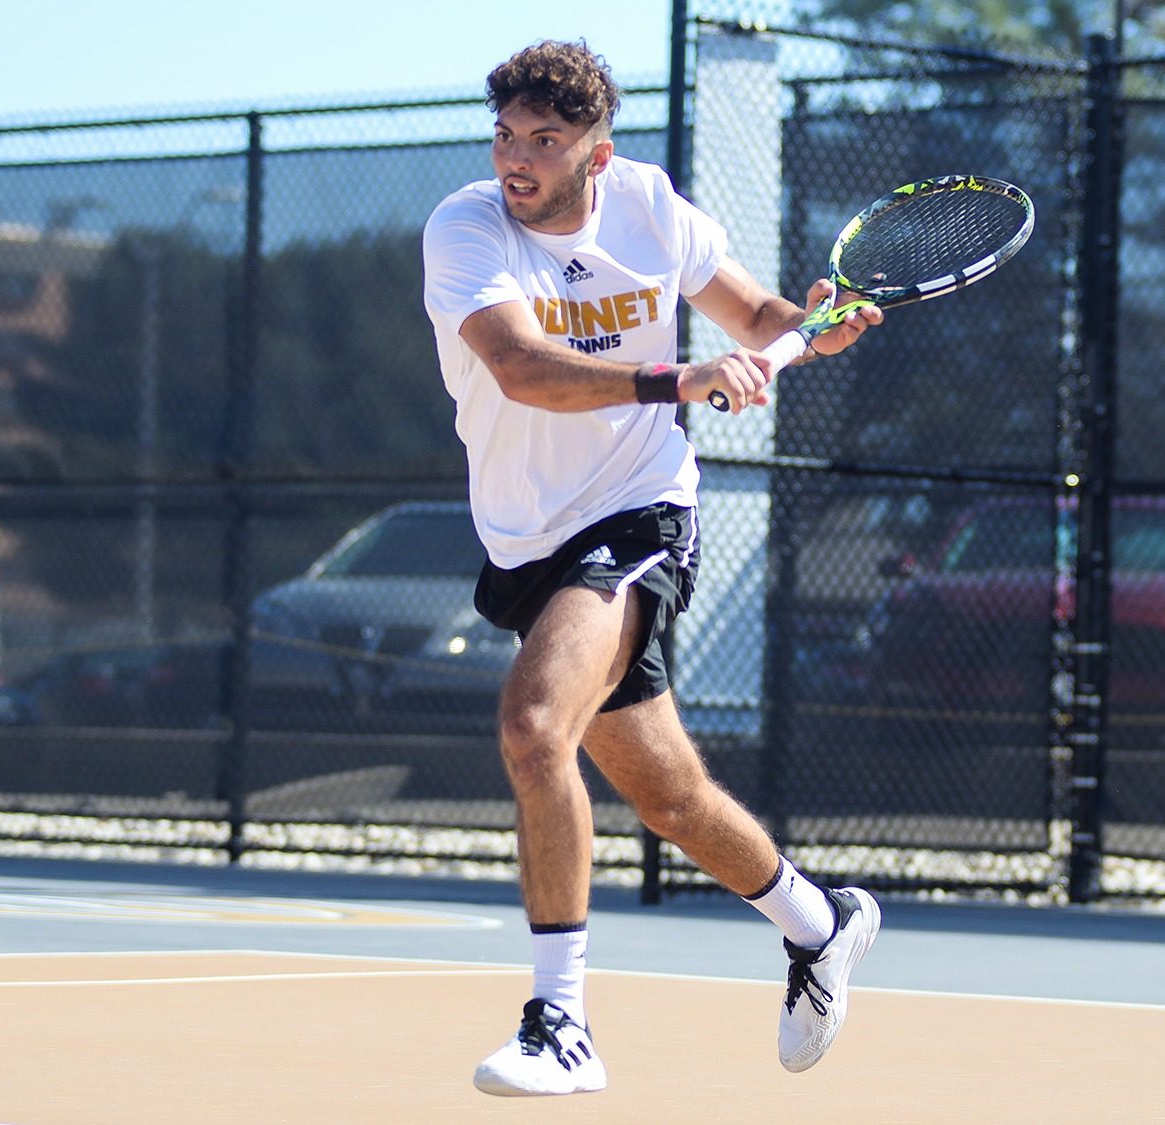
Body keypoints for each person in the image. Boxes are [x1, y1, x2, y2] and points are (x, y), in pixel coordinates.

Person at [421, 39, 885, 1098]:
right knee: (668, 798)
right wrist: (682, 374)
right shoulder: (464, 227)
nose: (516, 159)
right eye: (505, 135)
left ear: (597, 152)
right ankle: (821, 925)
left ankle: (560, 1026)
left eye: (544, 140)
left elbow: (761, 321)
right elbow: (521, 368)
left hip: (638, 512)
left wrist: (815, 329)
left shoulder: (650, 208)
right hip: (525, 537)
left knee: (535, 727)